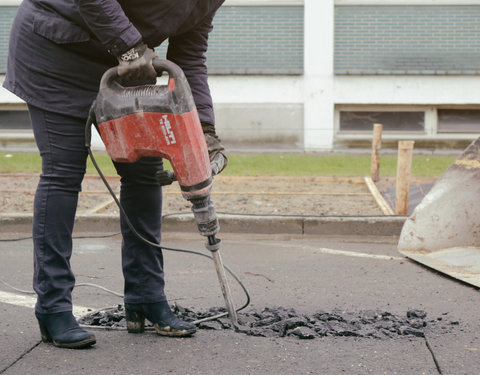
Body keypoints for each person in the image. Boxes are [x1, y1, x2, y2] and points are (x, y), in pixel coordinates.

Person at [3, 0, 227, 349]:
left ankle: (146, 297)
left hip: (130, 67)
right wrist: (130, 48)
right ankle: (53, 306)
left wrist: (205, 129)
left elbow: (190, 55)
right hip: (56, 50)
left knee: (145, 173)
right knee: (64, 172)